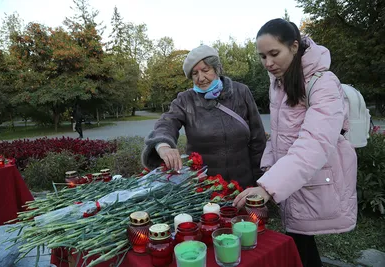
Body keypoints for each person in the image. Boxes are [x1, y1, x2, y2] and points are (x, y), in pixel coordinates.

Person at [233, 19, 357, 267]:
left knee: (301, 242)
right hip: (290, 180)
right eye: (262, 56)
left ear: (294, 46)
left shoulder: (322, 83)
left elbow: (315, 142)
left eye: (274, 53)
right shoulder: (278, 82)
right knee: (299, 242)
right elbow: (278, 133)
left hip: (312, 178)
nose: (268, 63)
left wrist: (269, 187)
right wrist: (269, 169)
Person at [141, 45, 266, 189]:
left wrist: (260, 181)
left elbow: (258, 140)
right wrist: (163, 145)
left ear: (216, 69)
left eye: (206, 70)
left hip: (243, 184)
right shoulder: (185, 100)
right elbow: (167, 122)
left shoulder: (241, 92)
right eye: (195, 73)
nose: (201, 78)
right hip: (204, 187)